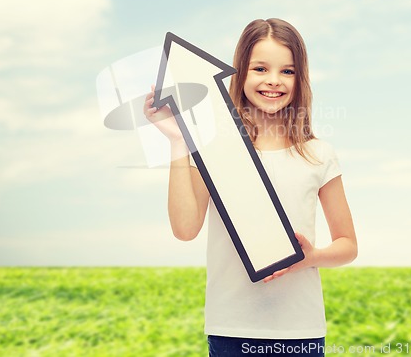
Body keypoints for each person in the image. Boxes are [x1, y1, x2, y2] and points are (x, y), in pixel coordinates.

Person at [144, 18, 357, 356]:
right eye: (260, 68)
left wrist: (309, 257)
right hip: (231, 329)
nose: (273, 81)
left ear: (300, 79)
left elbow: (348, 245)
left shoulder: (319, 154)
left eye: (287, 71)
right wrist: (178, 142)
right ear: (241, 73)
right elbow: (185, 229)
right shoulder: (214, 150)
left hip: (300, 331)